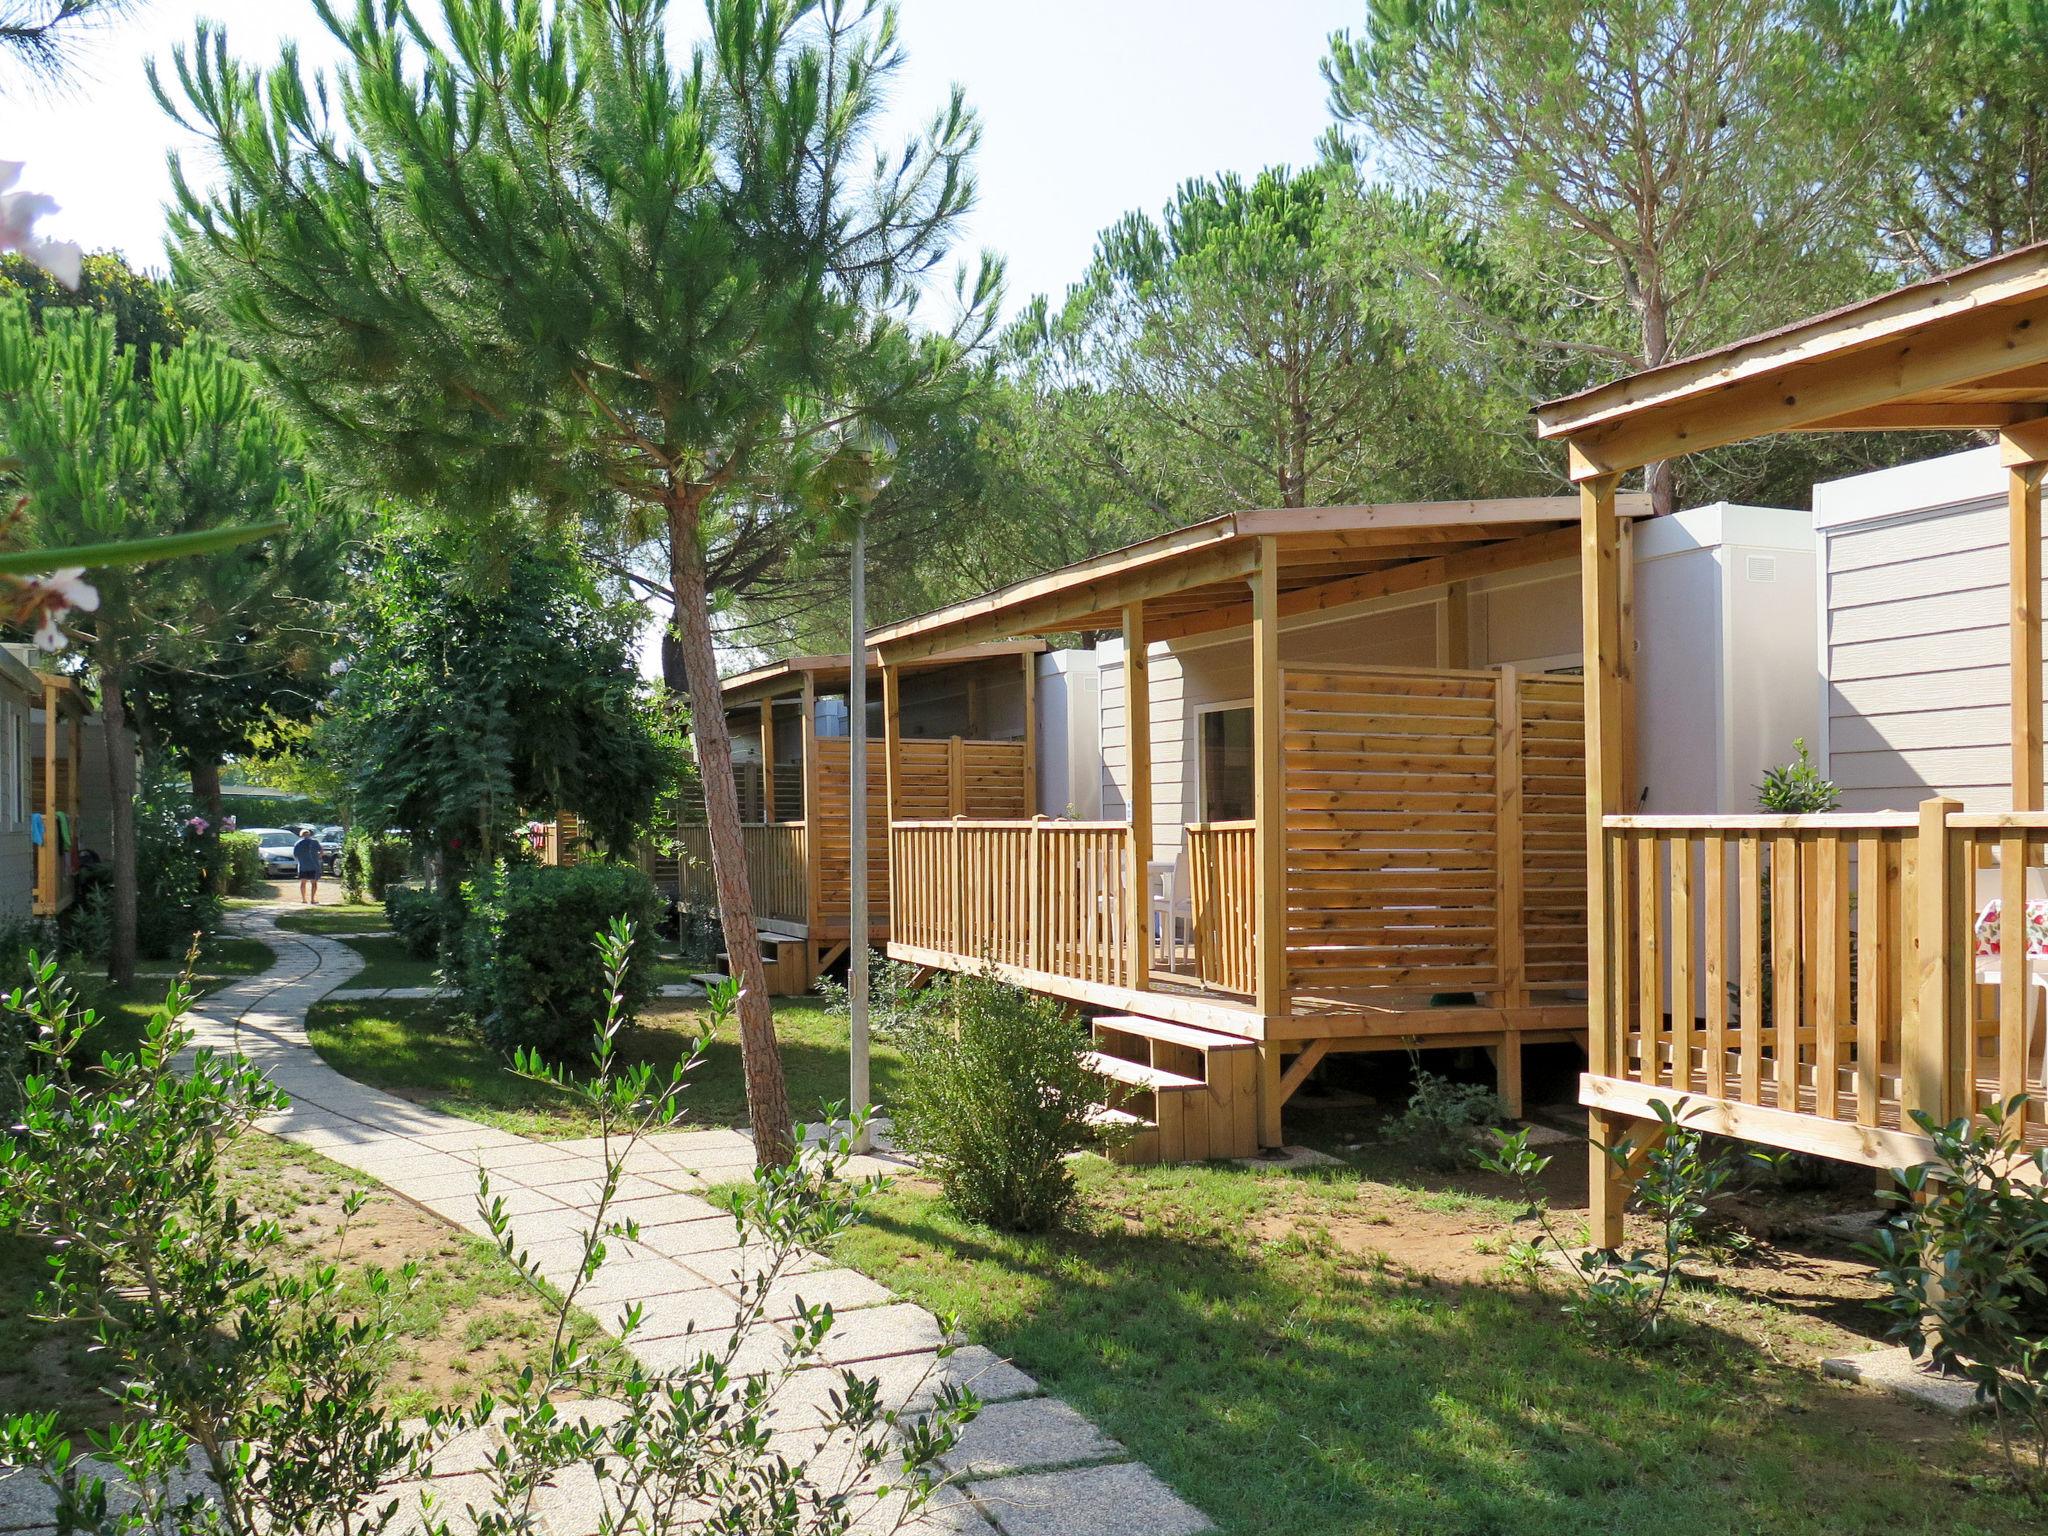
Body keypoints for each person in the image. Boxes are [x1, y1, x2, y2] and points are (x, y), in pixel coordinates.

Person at [293, 826, 324, 905]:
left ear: (301, 835)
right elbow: (321, 851)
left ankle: (304, 899)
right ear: (309, 834)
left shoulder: (298, 843)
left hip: (303, 866)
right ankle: (312, 899)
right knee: (314, 883)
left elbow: (295, 855)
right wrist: (317, 857)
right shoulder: (315, 842)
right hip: (313, 865)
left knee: (303, 883)